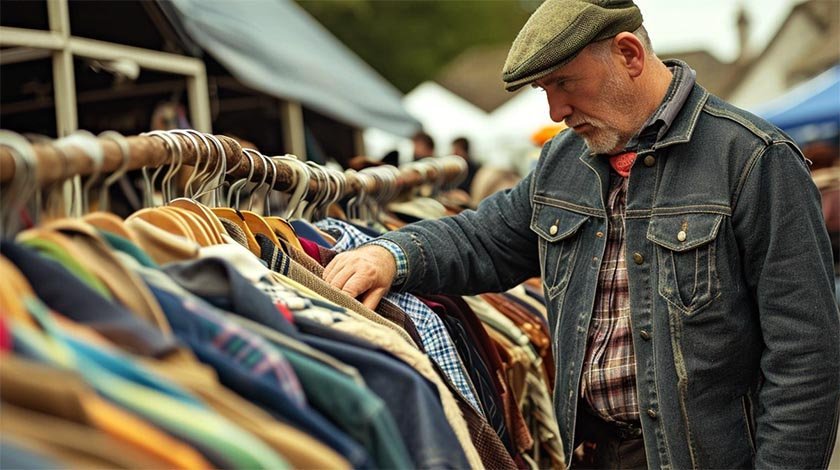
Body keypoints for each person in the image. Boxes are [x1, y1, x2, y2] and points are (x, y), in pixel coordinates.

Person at [322, 1, 840, 468]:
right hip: (589, 454)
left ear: (629, 54)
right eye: (544, 91)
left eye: (564, 83)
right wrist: (390, 254)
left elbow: (806, 355)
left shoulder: (752, 159)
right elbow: (485, 238)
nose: (555, 112)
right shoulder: (561, 161)